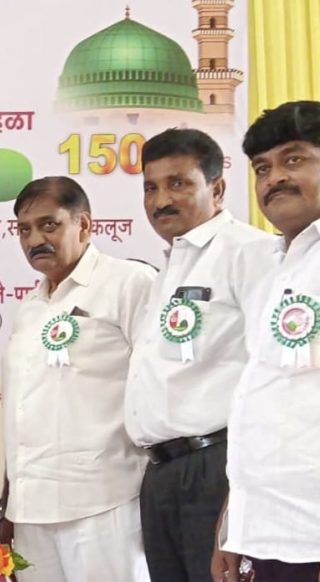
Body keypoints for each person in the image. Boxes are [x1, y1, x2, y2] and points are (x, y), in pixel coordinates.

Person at [124, 128, 271, 582]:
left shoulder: (251, 253)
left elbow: (268, 377)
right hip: (160, 474)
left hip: (216, 470)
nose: (161, 200)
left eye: (178, 184)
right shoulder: (169, 268)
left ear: (217, 188)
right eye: (151, 187)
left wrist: (239, 493)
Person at [1, 177, 154, 582]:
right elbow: (21, 408)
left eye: (49, 225)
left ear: (83, 225)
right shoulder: (31, 306)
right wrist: (9, 501)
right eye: (24, 230)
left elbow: (158, 384)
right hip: (31, 510)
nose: (35, 240)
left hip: (103, 501)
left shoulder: (128, 282)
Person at [211, 100, 320, 582]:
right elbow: (259, 408)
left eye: (293, 159)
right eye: (262, 168)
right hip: (269, 532)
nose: (275, 178)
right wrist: (233, 526)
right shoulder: (273, 271)